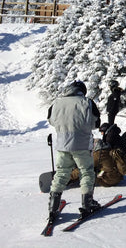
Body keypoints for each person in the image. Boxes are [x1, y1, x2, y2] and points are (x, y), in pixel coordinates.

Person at [46, 80, 101, 221]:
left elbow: (51, 120)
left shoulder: (57, 103)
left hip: (63, 145)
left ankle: (53, 207)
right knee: (86, 172)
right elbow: (96, 123)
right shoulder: (87, 102)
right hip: (82, 145)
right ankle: (87, 205)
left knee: (61, 173)